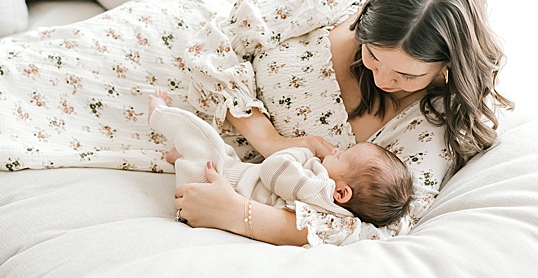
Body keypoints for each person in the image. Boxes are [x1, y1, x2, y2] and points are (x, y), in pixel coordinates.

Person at [0, 0, 510, 246]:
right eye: (373, 56)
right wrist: (268, 138)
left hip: (193, 133)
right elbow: (220, 34)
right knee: (23, 68)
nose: (382, 75)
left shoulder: (431, 127)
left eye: (407, 73)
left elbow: (375, 231)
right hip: (177, 45)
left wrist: (239, 214)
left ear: (447, 67)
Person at [150, 93, 414, 229]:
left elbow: (273, 168)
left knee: (202, 136)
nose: (335, 151)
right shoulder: (331, 208)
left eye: (342, 156)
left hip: (219, 181)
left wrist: (305, 151)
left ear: (342, 192)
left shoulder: (317, 189)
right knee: (215, 152)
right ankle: (181, 159)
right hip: (229, 180)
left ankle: (160, 114)